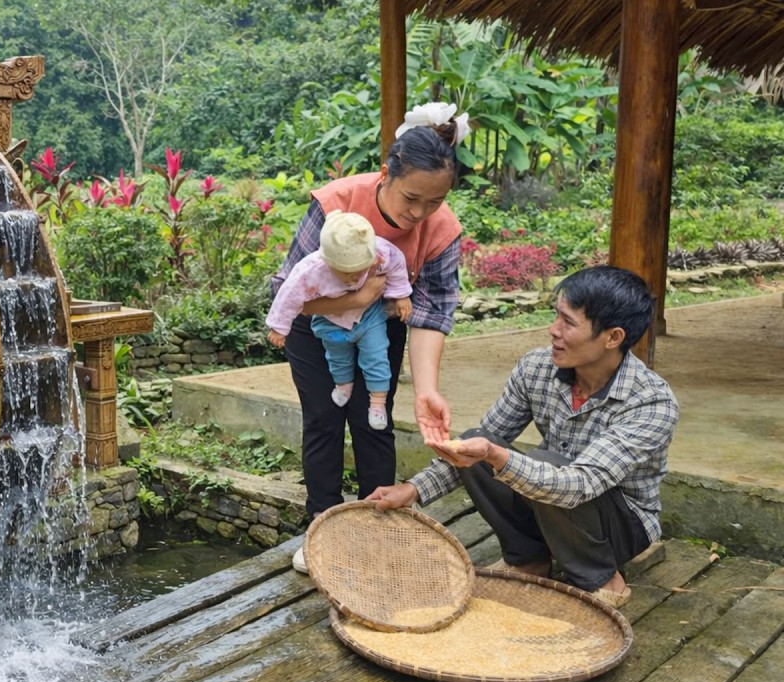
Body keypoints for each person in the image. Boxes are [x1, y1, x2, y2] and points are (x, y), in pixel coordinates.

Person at [368, 266, 679, 608]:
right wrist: (412, 490)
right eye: (556, 317)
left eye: (568, 322)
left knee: (527, 461)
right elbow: (483, 442)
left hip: (620, 527)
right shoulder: (536, 368)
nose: (553, 331)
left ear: (613, 337)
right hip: (551, 503)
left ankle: (602, 577)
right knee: (477, 441)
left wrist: (496, 455)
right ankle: (528, 557)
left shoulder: (651, 402)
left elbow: (580, 484)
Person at [271, 103, 471, 574]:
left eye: (434, 203)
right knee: (323, 417)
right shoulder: (334, 204)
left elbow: (431, 312)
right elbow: (289, 294)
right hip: (315, 326)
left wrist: (427, 390)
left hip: (380, 326)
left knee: (373, 420)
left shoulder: (442, 231)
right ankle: (322, 526)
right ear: (386, 174)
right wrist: (361, 295)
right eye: (411, 199)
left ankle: (377, 525)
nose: (418, 215)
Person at [266, 210, 413, 431]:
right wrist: (279, 327)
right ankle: (343, 384)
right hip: (331, 319)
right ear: (327, 262)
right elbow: (288, 296)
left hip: (369, 316)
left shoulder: (381, 252)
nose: (354, 277)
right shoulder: (309, 270)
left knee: (376, 357)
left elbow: (397, 264)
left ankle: (378, 403)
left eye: (359, 270)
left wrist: (400, 294)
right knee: (337, 356)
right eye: (346, 273)